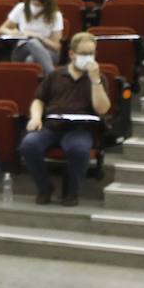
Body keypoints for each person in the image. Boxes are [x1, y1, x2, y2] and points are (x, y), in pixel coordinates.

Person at [18, 32, 111, 207]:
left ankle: (72, 192)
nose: (88, 58)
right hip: (53, 125)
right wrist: (36, 117)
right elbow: (39, 100)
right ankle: (45, 187)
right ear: (72, 54)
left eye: (91, 53)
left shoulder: (99, 78)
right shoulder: (56, 75)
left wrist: (95, 81)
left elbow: (103, 109)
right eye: (84, 54)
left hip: (81, 128)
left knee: (78, 149)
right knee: (29, 144)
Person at [0, 0, 63, 76]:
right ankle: (53, 77)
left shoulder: (55, 15)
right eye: (33, 4)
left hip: (48, 52)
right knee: (32, 42)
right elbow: (2, 29)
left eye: (38, 5)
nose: (35, 7)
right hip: (21, 50)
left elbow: (57, 46)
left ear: (46, 5)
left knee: (31, 59)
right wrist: (15, 32)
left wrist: (40, 38)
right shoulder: (21, 8)